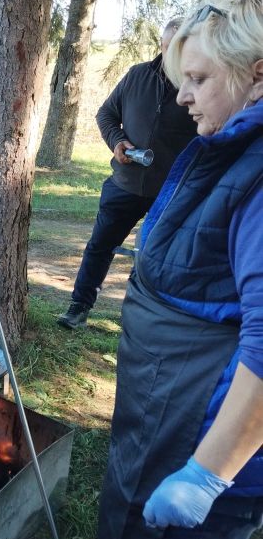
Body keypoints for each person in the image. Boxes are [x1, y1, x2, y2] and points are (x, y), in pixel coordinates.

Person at [97, 0, 263, 539]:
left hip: (202, 449)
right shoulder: (229, 149)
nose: (182, 96)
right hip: (171, 422)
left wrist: (205, 475)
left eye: (197, 79)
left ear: (256, 75)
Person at [58, 19, 197, 329]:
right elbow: (106, 114)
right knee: (100, 246)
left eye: (178, 49)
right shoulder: (137, 76)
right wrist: (117, 141)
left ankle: (145, 321)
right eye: (166, 47)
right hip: (124, 183)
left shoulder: (196, 85)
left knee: (156, 257)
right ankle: (79, 307)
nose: (169, 56)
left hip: (171, 193)